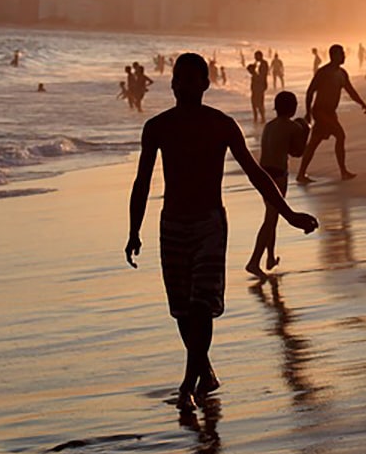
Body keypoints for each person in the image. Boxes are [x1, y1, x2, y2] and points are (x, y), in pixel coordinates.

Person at [126, 54, 318, 409]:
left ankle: (187, 383)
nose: (183, 85)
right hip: (171, 224)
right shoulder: (157, 127)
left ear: (205, 83)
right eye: (178, 79)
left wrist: (289, 214)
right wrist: (133, 231)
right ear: (172, 84)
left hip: (209, 224)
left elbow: (256, 174)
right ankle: (206, 372)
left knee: (201, 306)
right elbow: (141, 182)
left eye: (191, 79)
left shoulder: (221, 125)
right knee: (182, 310)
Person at [249, 91, 309, 278]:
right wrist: (305, 130)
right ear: (292, 108)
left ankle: (270, 257)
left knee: (272, 215)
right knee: (270, 219)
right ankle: (253, 262)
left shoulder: (269, 125)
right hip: (277, 175)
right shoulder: (292, 127)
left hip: (262, 173)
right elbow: (297, 152)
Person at [297, 44, 366, 183]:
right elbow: (310, 91)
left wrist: (361, 102)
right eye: (341, 54)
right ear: (333, 55)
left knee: (314, 142)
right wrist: (308, 112)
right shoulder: (323, 72)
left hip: (330, 112)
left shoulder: (342, 73)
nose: (344, 56)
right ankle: (343, 172)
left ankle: (301, 174)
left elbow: (350, 90)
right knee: (340, 135)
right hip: (320, 111)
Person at [246, 51, 271, 125]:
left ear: (260, 56)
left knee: (259, 102)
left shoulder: (263, 64)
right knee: (254, 102)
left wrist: (253, 72)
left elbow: (262, 76)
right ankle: (256, 118)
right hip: (256, 86)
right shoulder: (257, 63)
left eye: (256, 56)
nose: (255, 58)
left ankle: (262, 118)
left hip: (259, 86)